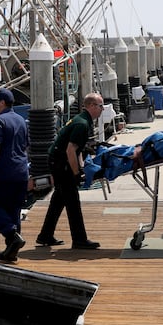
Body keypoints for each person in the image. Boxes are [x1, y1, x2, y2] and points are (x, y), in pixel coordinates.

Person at [36, 92, 104, 249]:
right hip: (61, 163)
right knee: (72, 201)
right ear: (92, 106)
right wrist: (76, 173)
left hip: (59, 161)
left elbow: (78, 150)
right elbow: (70, 150)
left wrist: (80, 168)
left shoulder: (83, 120)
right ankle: (79, 239)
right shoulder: (82, 124)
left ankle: (45, 235)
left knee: (58, 200)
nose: (102, 109)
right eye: (100, 106)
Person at [0, 87, 31, 262]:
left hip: (4, 171)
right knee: (14, 210)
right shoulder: (21, 120)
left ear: (2, 103)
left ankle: (11, 236)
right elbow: (26, 146)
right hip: (21, 171)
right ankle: (11, 251)